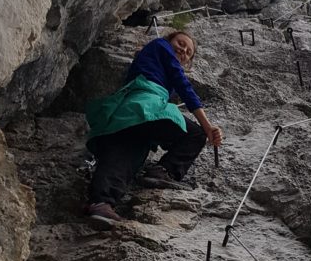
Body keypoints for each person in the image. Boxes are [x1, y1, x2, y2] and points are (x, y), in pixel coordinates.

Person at [84, 31, 223, 228]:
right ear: (168, 41)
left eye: (188, 53)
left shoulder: (155, 62)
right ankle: (163, 171)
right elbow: (183, 84)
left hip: (129, 112)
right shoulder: (160, 45)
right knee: (196, 133)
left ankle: (101, 203)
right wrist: (208, 127)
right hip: (147, 105)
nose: (183, 50)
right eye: (181, 43)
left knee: (121, 156)